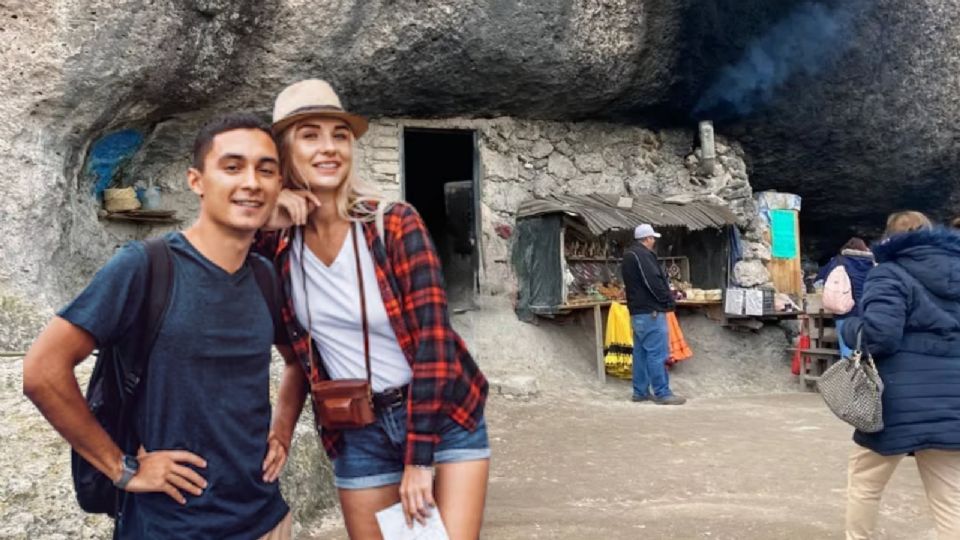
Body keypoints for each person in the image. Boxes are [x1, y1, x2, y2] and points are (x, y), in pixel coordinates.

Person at [22, 114, 295, 538]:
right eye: (232, 166)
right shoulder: (145, 267)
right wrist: (122, 467)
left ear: (279, 184)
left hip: (265, 520)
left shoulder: (264, 277)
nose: (251, 182)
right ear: (196, 180)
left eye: (266, 169)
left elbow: (296, 364)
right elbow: (42, 370)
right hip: (172, 525)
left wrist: (283, 428)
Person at [257, 79, 490, 539]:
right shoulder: (277, 248)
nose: (329, 148)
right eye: (310, 135)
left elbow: (435, 344)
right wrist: (267, 212)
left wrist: (419, 459)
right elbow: (213, 256)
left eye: (339, 135)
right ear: (284, 153)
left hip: (441, 416)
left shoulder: (394, 223)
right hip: (357, 428)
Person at [840, 210, 960, 539]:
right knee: (951, 497)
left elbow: (881, 336)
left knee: (866, 483)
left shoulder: (889, 273)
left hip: (897, 402)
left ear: (889, 238)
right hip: (953, 398)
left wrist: (850, 326)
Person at [620, 224, 686, 405]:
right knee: (657, 353)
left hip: (637, 312)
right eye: (652, 238)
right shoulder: (643, 256)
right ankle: (662, 392)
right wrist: (668, 300)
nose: (654, 241)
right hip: (652, 312)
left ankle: (640, 392)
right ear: (647, 239)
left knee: (641, 353)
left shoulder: (629, 255)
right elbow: (654, 282)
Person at [814, 237, 875, 357]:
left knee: (847, 351)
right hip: (869, 312)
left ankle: (848, 375)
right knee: (869, 351)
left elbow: (819, 281)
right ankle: (866, 375)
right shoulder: (872, 264)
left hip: (845, 311)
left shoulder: (839, 261)